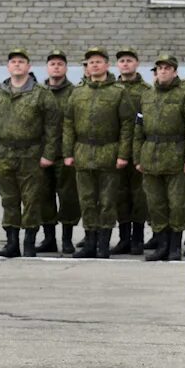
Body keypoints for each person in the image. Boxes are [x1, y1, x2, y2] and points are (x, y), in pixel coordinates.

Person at [0, 48, 61, 258]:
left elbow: (53, 127)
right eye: (13, 61)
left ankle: (29, 242)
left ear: (28, 67)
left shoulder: (41, 93)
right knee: (9, 199)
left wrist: (48, 154)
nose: (17, 64)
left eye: (21, 61)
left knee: (32, 199)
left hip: (31, 153)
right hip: (6, 152)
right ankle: (11, 243)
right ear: (8, 67)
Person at [62, 47, 135, 259]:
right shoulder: (78, 92)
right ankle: (89, 243)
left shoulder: (118, 92)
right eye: (91, 62)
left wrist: (123, 154)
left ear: (107, 65)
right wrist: (68, 152)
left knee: (107, 201)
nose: (94, 65)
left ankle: (103, 244)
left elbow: (127, 126)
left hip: (108, 152)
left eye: (99, 61)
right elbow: (68, 124)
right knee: (86, 200)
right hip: (83, 152)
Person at [133, 53, 185, 261]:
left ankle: (174, 246)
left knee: (177, 205)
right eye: (160, 68)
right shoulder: (146, 96)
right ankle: (162, 245)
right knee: (155, 204)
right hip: (150, 157)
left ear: (175, 71)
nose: (163, 71)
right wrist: (137, 158)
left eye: (167, 68)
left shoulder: (184, 94)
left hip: (175, 156)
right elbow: (138, 129)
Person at [39, 50, 80, 254]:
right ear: (47, 68)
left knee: (68, 198)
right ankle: (49, 238)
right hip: (42, 154)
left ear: (65, 68)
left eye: (60, 64)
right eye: (52, 64)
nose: (56, 67)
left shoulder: (74, 92)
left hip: (65, 155)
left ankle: (67, 238)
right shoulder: (38, 92)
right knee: (44, 197)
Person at [113, 47, 151, 255]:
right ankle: (123, 238)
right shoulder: (111, 88)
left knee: (138, 196)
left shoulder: (145, 90)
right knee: (120, 196)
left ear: (136, 64)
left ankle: (137, 238)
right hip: (116, 149)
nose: (125, 64)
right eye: (121, 61)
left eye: (129, 60)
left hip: (138, 149)